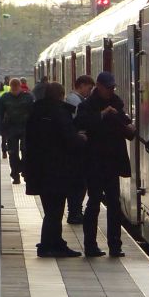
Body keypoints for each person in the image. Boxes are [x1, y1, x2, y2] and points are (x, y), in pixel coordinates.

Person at [75, 71, 135, 258]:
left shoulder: (117, 104)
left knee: (114, 204)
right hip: (94, 162)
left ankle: (115, 245)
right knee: (93, 203)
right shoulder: (87, 106)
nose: (111, 91)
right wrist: (102, 115)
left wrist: (128, 126)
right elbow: (80, 123)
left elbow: (127, 129)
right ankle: (90, 245)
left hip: (113, 162)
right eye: (108, 88)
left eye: (112, 88)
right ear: (99, 87)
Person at [23, 82, 85, 258]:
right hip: (57, 170)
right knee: (55, 211)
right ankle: (49, 246)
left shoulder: (35, 112)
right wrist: (80, 138)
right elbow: (68, 138)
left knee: (51, 209)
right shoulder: (60, 112)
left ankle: (54, 242)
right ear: (61, 95)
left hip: (39, 170)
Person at [64, 75, 94, 224]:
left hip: (76, 148)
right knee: (78, 182)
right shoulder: (75, 101)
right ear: (81, 86)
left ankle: (75, 211)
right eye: (89, 88)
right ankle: (74, 212)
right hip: (76, 149)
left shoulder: (75, 100)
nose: (90, 91)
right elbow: (78, 122)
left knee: (79, 182)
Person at [0, 77, 35, 185]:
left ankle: (24, 171)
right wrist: (2, 130)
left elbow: (33, 113)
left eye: (16, 87)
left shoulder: (27, 97)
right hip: (11, 128)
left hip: (25, 128)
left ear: (20, 86)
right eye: (13, 87)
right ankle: (15, 175)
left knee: (26, 151)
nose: (15, 90)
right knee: (13, 153)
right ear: (10, 87)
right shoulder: (5, 98)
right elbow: (0, 114)